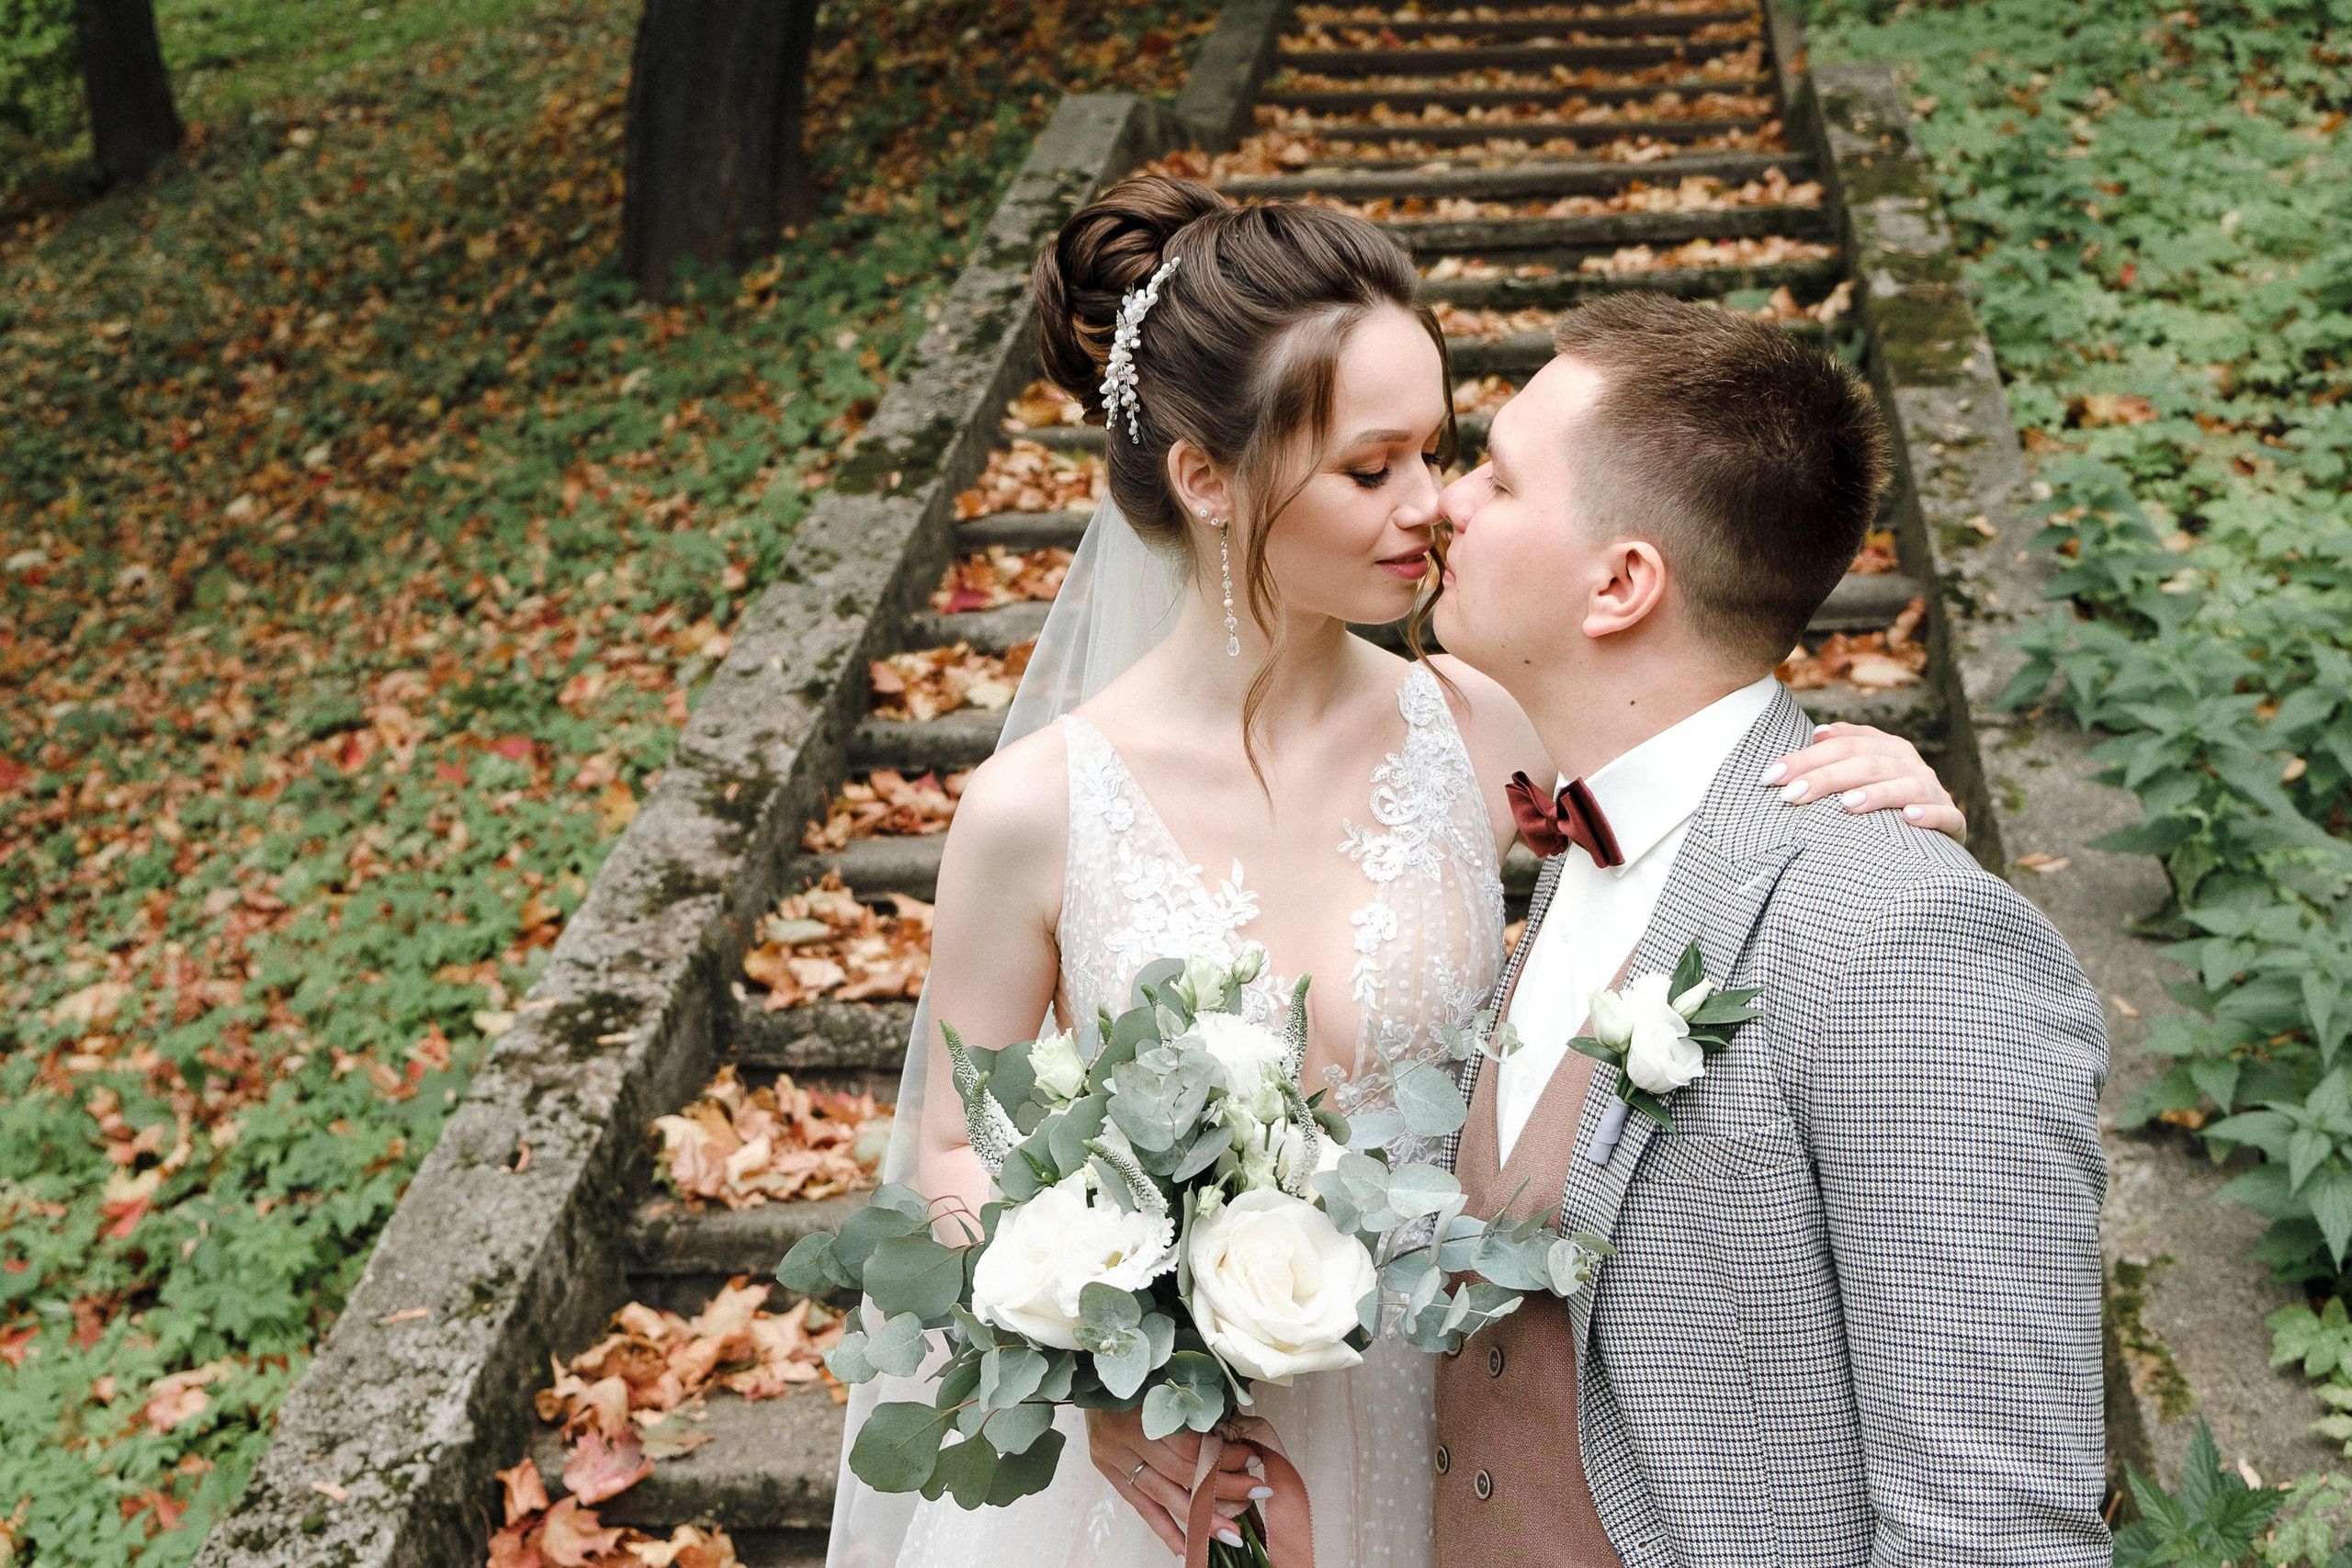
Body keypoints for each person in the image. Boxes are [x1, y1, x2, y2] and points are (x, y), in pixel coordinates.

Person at [822, 175, 1964, 1568]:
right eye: (1373, 471)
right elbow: (955, 1144)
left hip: (1458, 1430)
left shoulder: (1485, 726)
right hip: (1173, 1467)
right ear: (1206, 480)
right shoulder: (1036, 809)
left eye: (1440, 450)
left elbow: (1682, 806)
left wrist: (1869, 791)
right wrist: (1090, 1366)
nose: (1434, 506)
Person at [1423, 292, 2110, 1566]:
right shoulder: (1579, 841)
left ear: (1621, 583)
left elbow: (1994, 1521)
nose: (1446, 502)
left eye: (1498, 479)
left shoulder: (1911, 938)